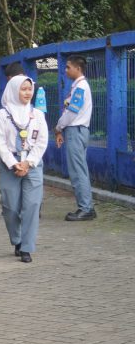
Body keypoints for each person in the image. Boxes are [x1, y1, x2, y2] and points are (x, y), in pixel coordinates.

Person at [0, 75, 49, 263]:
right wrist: (13, 163)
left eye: (30, 89)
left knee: (32, 205)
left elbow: (42, 141)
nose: (27, 93)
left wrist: (29, 162)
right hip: (10, 163)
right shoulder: (2, 115)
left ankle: (26, 247)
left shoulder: (38, 115)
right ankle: (16, 239)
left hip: (32, 164)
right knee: (10, 206)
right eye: (23, 89)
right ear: (13, 90)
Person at [54, 54, 96, 221]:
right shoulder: (78, 86)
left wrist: (58, 127)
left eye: (68, 67)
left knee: (78, 171)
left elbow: (72, 112)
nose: (65, 70)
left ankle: (85, 209)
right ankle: (87, 207)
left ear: (78, 68)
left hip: (75, 131)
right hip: (76, 131)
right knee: (80, 170)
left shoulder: (80, 87)